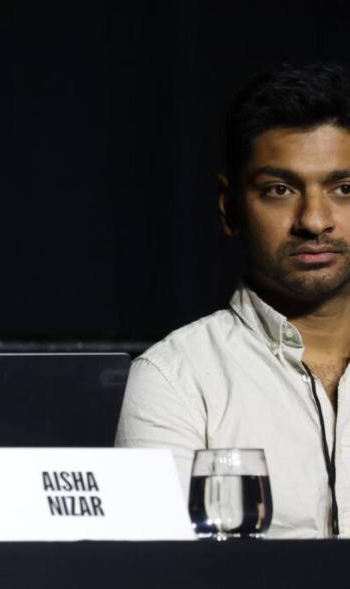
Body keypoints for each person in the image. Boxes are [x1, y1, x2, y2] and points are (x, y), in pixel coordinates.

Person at [115, 62, 350, 538]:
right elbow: (154, 575)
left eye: (343, 189)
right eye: (279, 190)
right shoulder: (175, 379)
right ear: (230, 209)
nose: (314, 220)